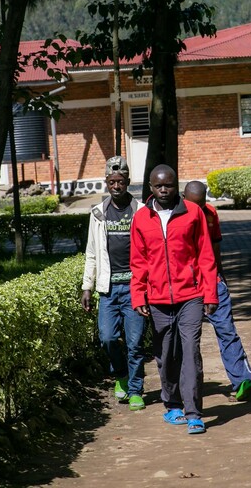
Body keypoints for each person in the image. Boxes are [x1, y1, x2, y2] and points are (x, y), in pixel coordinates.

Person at [130, 165, 219, 435]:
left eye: (168, 185)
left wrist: (210, 293)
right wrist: (139, 294)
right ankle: (172, 405)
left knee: (190, 351)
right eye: (159, 186)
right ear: (150, 188)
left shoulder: (193, 213)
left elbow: (206, 255)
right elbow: (138, 261)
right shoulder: (141, 218)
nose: (164, 190)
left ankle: (194, 413)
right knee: (165, 353)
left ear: (176, 184)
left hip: (190, 295)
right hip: (157, 299)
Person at [183, 181, 251, 402]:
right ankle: (189, 387)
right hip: (187, 286)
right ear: (183, 198)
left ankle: (242, 380)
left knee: (227, 330)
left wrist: (222, 278)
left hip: (213, 281)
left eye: (201, 203)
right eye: (193, 204)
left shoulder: (210, 214)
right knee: (188, 339)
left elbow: (216, 247)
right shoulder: (176, 217)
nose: (198, 210)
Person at [80, 156, 147, 410]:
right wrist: (87, 286)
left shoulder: (141, 212)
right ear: (106, 183)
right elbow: (91, 253)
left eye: (120, 181)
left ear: (128, 182)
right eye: (111, 182)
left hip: (134, 288)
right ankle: (121, 375)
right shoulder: (97, 214)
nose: (116, 186)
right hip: (108, 289)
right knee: (108, 338)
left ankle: (136, 389)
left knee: (135, 342)